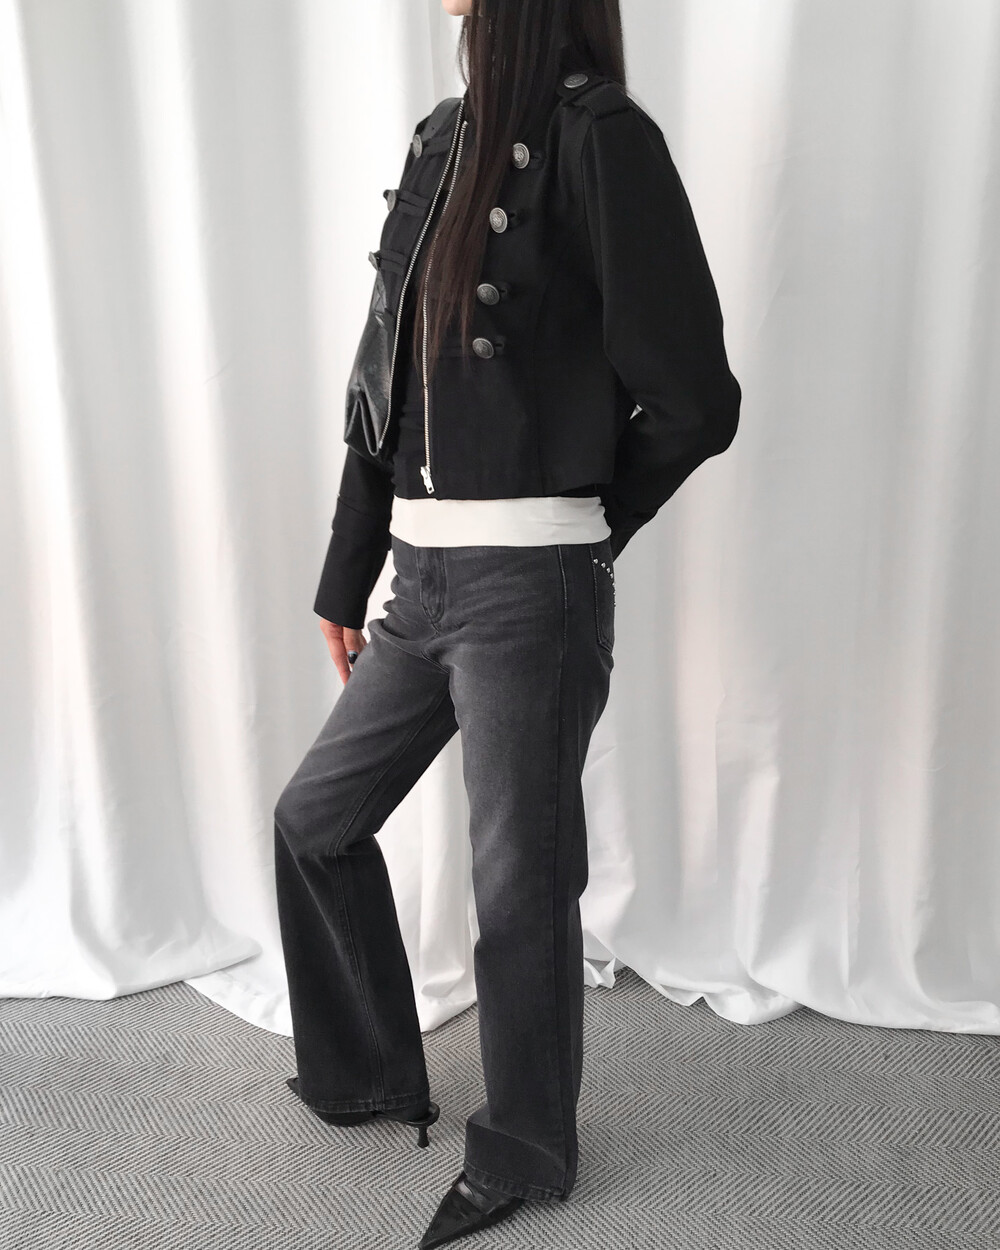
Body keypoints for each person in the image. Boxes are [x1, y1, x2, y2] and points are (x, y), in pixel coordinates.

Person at [273, 0, 741, 1245]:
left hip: (529, 586)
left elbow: (697, 397)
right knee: (314, 821)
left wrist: (578, 526)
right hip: (418, 582)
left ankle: (526, 1146)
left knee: (518, 882)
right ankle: (369, 1066)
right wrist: (345, 573)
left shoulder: (601, 138)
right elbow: (380, 385)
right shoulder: (442, 137)